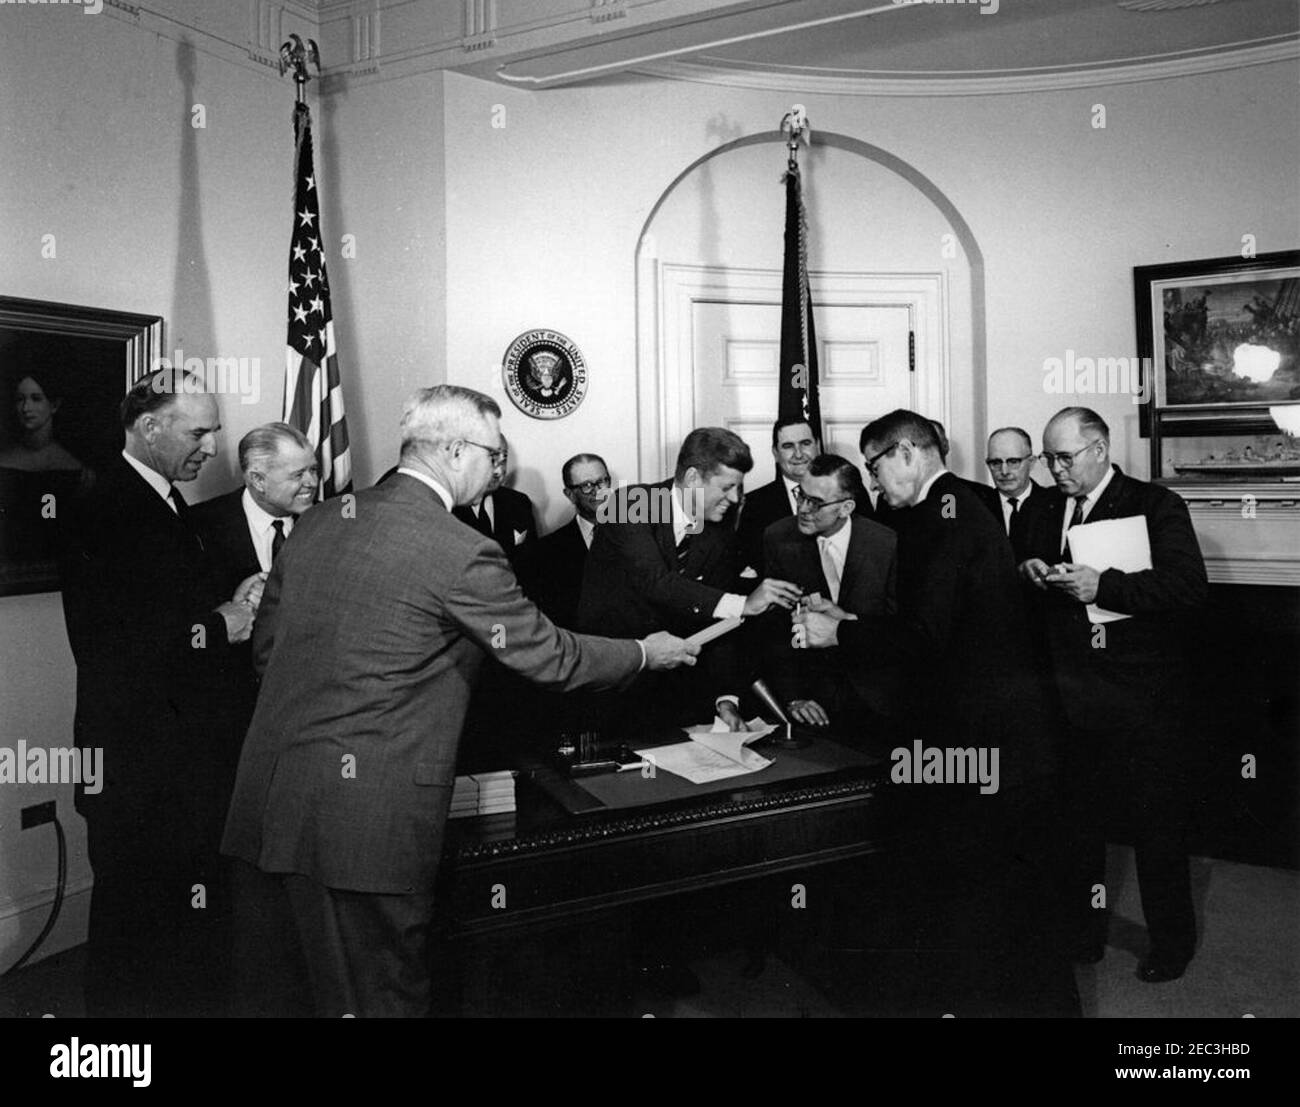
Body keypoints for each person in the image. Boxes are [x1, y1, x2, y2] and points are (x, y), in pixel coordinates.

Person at [221, 384, 698, 1017]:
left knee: (299, 992)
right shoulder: (462, 548)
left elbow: (267, 651)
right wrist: (644, 652)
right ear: (452, 450)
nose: (497, 469)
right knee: (385, 994)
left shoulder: (318, 521)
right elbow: (551, 655)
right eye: (492, 453)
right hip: (370, 821)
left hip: (271, 801)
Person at [801, 409, 1070, 1015]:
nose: (873, 485)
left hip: (982, 740)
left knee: (984, 895)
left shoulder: (942, 518)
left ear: (906, 454)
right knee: (987, 897)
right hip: (985, 734)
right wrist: (852, 621)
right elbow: (935, 622)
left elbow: (925, 638)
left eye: (873, 468)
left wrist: (837, 637)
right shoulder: (954, 507)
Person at [58, 368, 261, 1017]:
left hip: (181, 766)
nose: (211, 444)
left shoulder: (167, 500)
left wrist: (228, 605)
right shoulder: (103, 506)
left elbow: (162, 615)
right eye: (199, 430)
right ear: (148, 428)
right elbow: (115, 650)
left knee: (184, 933)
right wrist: (221, 624)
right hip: (137, 769)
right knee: (133, 943)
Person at [1019, 406, 1208, 983]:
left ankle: (1171, 943)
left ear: (1100, 448)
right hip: (1073, 694)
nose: (1054, 469)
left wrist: (1106, 585)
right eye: (1049, 458)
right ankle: (1084, 933)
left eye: (1065, 457)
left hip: (1142, 696)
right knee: (1076, 827)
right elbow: (1029, 571)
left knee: (1156, 828)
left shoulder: (1155, 505)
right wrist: (1029, 566)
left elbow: (1187, 587)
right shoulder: (1047, 507)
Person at [577, 426, 802, 736]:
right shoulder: (633, 502)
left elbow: (717, 620)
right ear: (694, 478)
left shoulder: (717, 527)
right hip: (612, 687)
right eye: (727, 487)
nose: (735, 498)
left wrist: (726, 699)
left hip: (674, 692)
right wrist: (744, 604)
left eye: (739, 488)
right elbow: (656, 582)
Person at [759, 454, 899, 731]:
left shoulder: (886, 543)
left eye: (817, 502)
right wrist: (793, 696)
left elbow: (898, 628)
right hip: (812, 702)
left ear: (846, 507)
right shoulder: (778, 538)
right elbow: (774, 627)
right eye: (801, 495)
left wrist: (846, 621)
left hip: (879, 701)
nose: (803, 508)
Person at [190, 422, 319, 595]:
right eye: (298, 475)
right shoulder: (198, 526)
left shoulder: (329, 521)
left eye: (313, 470)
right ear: (258, 480)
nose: (312, 482)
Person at [516, 452, 611, 630]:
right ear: (570, 495)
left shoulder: (638, 535)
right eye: (587, 486)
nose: (599, 491)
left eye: (602, 481)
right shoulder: (545, 552)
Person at [735, 418, 821, 576]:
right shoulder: (753, 505)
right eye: (788, 446)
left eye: (805, 443)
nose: (799, 454)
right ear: (775, 453)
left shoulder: (847, 491)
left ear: (817, 445)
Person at [452, 435, 537, 565]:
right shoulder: (446, 506)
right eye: (491, 458)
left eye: (504, 458)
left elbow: (532, 565)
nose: (499, 470)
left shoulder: (519, 502)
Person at [975, 426, 1043, 562]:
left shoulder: (1054, 504)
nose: (1004, 471)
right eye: (996, 463)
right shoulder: (977, 508)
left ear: (1032, 462)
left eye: (1013, 462)